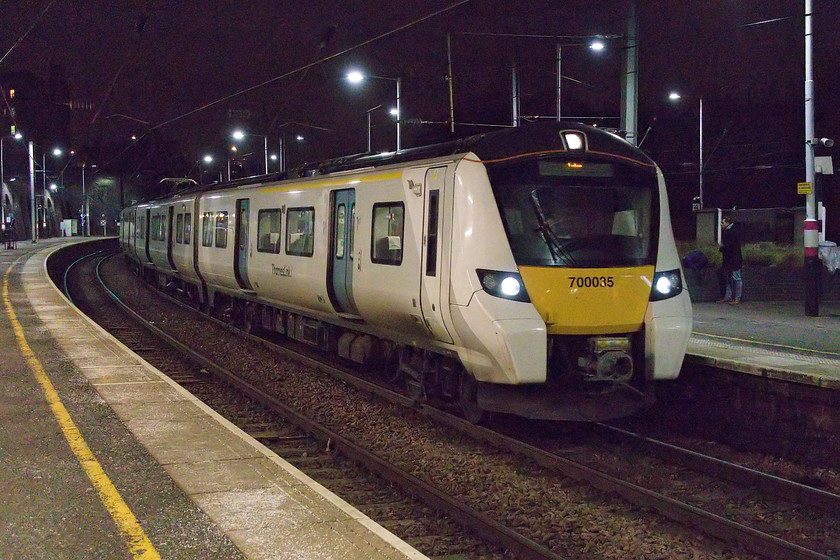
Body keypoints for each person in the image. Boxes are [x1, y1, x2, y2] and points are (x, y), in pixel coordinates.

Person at [718, 214, 743, 304]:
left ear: (728, 223)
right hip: (732, 259)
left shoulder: (731, 232)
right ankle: (730, 297)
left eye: (723, 223)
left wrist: (721, 248)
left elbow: (730, 245)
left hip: (733, 259)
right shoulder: (733, 231)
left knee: (736, 278)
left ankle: (736, 298)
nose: (721, 224)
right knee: (731, 278)